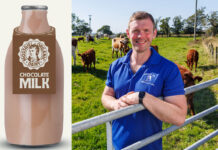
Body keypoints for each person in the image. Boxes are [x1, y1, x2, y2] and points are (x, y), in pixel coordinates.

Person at [101, 11, 187, 150]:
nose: (140, 36)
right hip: (117, 146)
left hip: (149, 146)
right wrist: (115, 104)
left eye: (146, 30)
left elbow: (179, 117)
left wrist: (142, 97)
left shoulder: (168, 69)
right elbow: (106, 95)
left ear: (154, 33)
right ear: (128, 34)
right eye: (135, 31)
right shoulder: (115, 65)